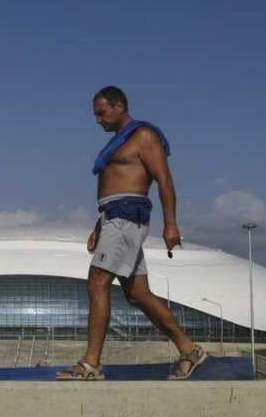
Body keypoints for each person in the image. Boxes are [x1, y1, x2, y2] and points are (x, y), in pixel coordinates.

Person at [56, 86, 207, 381]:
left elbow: (164, 180)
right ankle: (189, 350)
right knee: (138, 294)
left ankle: (91, 364)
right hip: (113, 218)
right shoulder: (118, 143)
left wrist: (171, 223)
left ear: (119, 106)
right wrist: (99, 226)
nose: (98, 120)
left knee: (97, 281)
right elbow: (112, 187)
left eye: (101, 113)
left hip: (127, 217)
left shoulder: (144, 136)